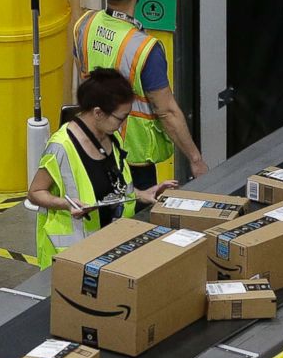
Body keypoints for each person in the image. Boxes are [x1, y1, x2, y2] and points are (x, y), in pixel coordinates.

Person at [73, 0, 209, 189]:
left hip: (91, 148)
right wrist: (195, 159)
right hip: (133, 161)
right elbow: (167, 111)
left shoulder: (84, 25)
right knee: (135, 225)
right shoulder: (145, 49)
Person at [28, 67, 179, 269]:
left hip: (112, 248)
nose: (123, 124)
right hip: (74, 257)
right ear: (98, 112)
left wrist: (142, 194)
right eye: (120, 118)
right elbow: (35, 192)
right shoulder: (61, 147)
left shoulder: (111, 137)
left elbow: (112, 188)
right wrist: (67, 204)